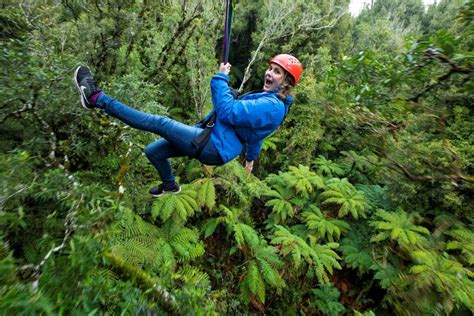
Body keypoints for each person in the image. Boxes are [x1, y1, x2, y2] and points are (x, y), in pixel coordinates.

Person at [74, 54, 302, 197]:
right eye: (270, 68)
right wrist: (251, 158)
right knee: (153, 152)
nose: (269, 73)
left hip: (214, 145)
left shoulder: (271, 106)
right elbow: (256, 135)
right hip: (212, 138)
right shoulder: (273, 103)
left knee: (160, 122)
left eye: (277, 72)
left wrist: (221, 78)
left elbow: (228, 111)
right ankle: (170, 185)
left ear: (287, 82)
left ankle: (96, 98)